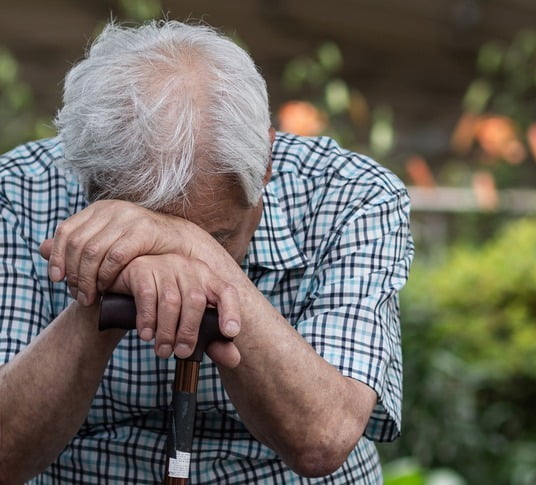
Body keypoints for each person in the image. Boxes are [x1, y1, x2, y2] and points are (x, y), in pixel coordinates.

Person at [0, 20, 413, 484]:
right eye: (137, 226)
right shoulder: (18, 193)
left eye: (218, 236)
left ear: (266, 162)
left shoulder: (350, 196)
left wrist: (187, 246)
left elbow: (322, 436)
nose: (184, 266)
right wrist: (103, 286)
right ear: (88, 183)